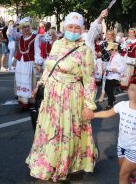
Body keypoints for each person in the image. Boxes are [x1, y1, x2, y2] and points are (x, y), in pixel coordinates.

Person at [26, 11, 107, 182]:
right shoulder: (56, 44)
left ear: (82, 29)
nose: (74, 30)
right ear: (65, 27)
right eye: (70, 26)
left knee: (68, 131)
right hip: (51, 95)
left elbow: (90, 80)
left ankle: (67, 164)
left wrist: (88, 105)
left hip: (71, 97)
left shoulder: (85, 50)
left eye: (78, 28)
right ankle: (47, 163)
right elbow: (50, 67)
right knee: (49, 130)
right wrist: (39, 84)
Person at [94, 76, 136, 184]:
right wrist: (93, 115)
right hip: (121, 146)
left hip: (134, 149)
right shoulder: (122, 105)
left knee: (123, 174)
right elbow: (108, 113)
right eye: (132, 89)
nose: (134, 93)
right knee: (128, 173)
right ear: (128, 89)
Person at [15, 19, 36, 109]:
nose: (27, 28)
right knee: (20, 79)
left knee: (28, 80)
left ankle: (30, 100)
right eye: (24, 27)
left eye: (28, 26)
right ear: (21, 29)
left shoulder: (35, 37)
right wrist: (14, 25)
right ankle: (22, 100)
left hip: (29, 61)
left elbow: (38, 49)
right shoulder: (20, 37)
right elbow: (11, 33)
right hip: (20, 62)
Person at [104, 42, 125, 109]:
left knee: (109, 90)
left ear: (114, 50)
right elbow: (110, 65)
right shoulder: (112, 56)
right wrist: (107, 67)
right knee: (106, 89)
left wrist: (116, 69)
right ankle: (113, 99)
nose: (109, 51)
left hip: (114, 76)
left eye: (110, 50)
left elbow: (123, 67)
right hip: (109, 75)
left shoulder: (118, 57)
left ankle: (110, 104)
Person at [99, 30, 117, 102]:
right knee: (104, 79)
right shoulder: (103, 43)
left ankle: (111, 96)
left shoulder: (116, 44)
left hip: (113, 64)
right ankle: (102, 94)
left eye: (109, 34)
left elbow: (118, 54)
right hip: (106, 63)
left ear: (113, 35)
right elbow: (102, 54)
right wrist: (102, 63)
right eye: (107, 34)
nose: (107, 35)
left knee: (111, 80)